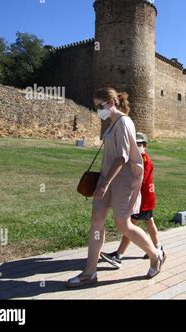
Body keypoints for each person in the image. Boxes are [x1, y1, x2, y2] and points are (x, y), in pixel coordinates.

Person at [67, 87, 165, 288]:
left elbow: (123, 157)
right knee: (97, 220)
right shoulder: (111, 124)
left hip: (123, 180)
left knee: (122, 223)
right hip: (107, 177)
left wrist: (104, 183)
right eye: (96, 108)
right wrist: (103, 180)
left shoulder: (124, 122)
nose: (98, 111)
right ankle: (90, 272)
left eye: (100, 107)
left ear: (111, 103)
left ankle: (156, 255)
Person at [100, 132, 164, 268]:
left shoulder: (144, 160)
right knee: (149, 223)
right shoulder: (139, 158)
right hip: (147, 198)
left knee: (129, 227)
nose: (137, 147)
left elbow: (139, 179)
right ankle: (158, 249)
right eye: (135, 145)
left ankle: (118, 256)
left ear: (145, 146)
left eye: (140, 144)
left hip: (142, 199)